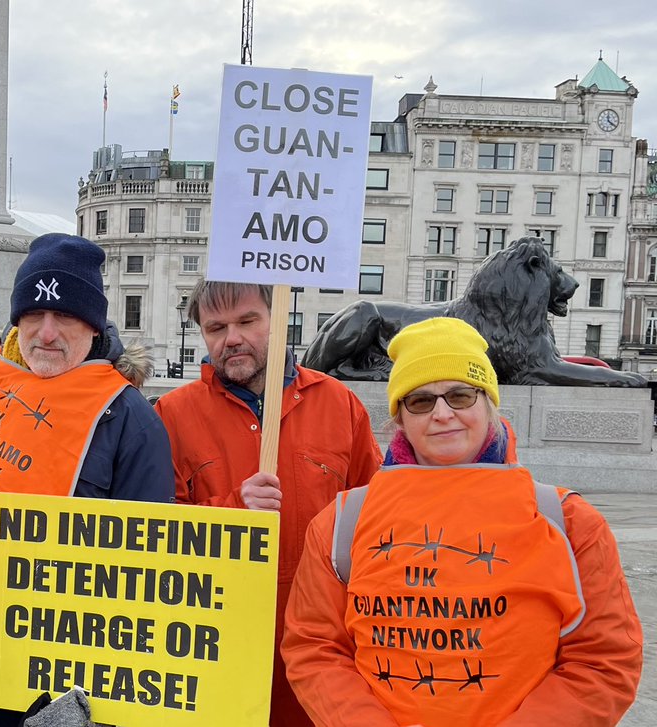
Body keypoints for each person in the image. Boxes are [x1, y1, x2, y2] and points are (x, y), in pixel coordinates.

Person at [282, 317, 643, 726]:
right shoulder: (342, 522)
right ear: (399, 417)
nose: (442, 414)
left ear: (488, 402)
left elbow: (603, 661)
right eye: (420, 400)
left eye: (460, 395)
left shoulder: (569, 522)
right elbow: (315, 648)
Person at [0, 233, 176, 726]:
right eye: (33, 314)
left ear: (92, 325)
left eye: (65, 316)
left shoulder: (130, 419)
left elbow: (143, 569)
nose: (46, 333)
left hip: (44, 665)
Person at [152, 280, 382, 727]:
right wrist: (235, 510)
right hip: (215, 646)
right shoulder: (172, 415)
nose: (231, 338)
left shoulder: (341, 405)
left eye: (247, 321)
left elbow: (375, 519)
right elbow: (155, 529)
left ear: (279, 322)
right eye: (216, 327)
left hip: (322, 646)